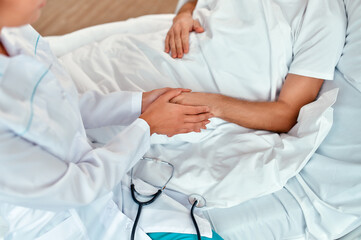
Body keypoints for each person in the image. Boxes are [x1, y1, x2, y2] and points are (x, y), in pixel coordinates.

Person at [0, 0, 221, 239]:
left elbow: (59, 105)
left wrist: (138, 104)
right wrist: (148, 126)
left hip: (109, 192)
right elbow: (77, 188)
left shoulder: (15, 29)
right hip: (60, 223)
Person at [165, 0, 344, 133]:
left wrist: (211, 104)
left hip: (195, 93)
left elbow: (287, 114)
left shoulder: (323, 18)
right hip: (169, 45)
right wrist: (184, 14)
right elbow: (194, 2)